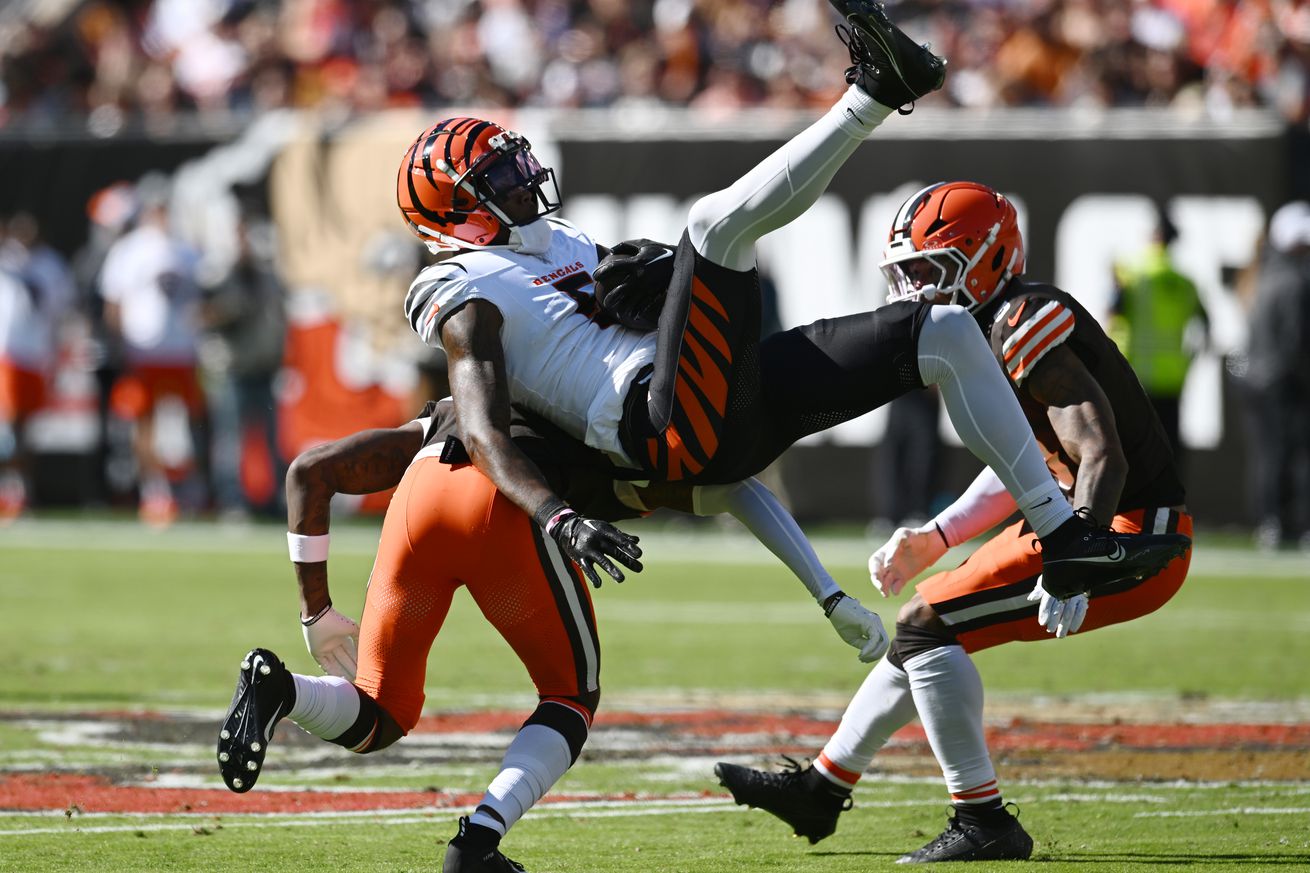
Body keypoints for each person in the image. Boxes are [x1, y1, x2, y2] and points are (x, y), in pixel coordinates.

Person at [397, 0, 1188, 604]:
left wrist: (655, 277)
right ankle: (878, 91)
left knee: (942, 328)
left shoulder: (551, 243)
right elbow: (483, 423)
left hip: (717, 405)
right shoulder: (457, 285)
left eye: (513, 166)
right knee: (713, 225)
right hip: (660, 425)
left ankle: (1065, 536)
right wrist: (555, 514)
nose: (520, 183)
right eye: (496, 180)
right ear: (451, 211)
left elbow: (617, 306)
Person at [714, 181, 1196, 862]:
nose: (915, 288)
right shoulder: (986, 328)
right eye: (906, 272)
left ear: (989, 260)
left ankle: (982, 820)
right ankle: (821, 790)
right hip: (1084, 518)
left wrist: (1075, 556)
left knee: (927, 623)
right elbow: (1021, 457)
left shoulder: (1023, 321)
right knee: (924, 627)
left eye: (930, 270)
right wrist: (938, 536)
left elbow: (1098, 452)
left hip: (1135, 537)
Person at [217, 398, 889, 873]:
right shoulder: (624, 400)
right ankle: (479, 840)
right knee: (570, 694)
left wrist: (316, 612)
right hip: (509, 505)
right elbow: (738, 490)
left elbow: (310, 469)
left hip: (421, 493)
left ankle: (282, 688)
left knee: (381, 714)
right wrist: (825, 590)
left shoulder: (469, 390)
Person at [98, 175, 206, 526]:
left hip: (181, 352)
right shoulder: (130, 249)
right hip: (145, 351)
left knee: (182, 424)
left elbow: (199, 303)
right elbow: (113, 303)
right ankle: (154, 492)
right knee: (145, 424)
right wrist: (120, 346)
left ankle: (186, 490)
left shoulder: (187, 249)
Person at [1110, 203, 1209, 466]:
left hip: (1135, 377)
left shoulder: (1132, 275)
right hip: (1172, 379)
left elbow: (1113, 313)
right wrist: (1187, 363)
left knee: (1135, 452)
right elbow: (1206, 328)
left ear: (1153, 236)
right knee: (1170, 453)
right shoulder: (1186, 282)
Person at [1239, 202, 1310, 550]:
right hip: (1282, 382)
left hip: (1254, 380)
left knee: (1268, 455)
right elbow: (1295, 340)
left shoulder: (1260, 275)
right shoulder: (1295, 280)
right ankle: (1291, 523)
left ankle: (1271, 523)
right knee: (1294, 455)